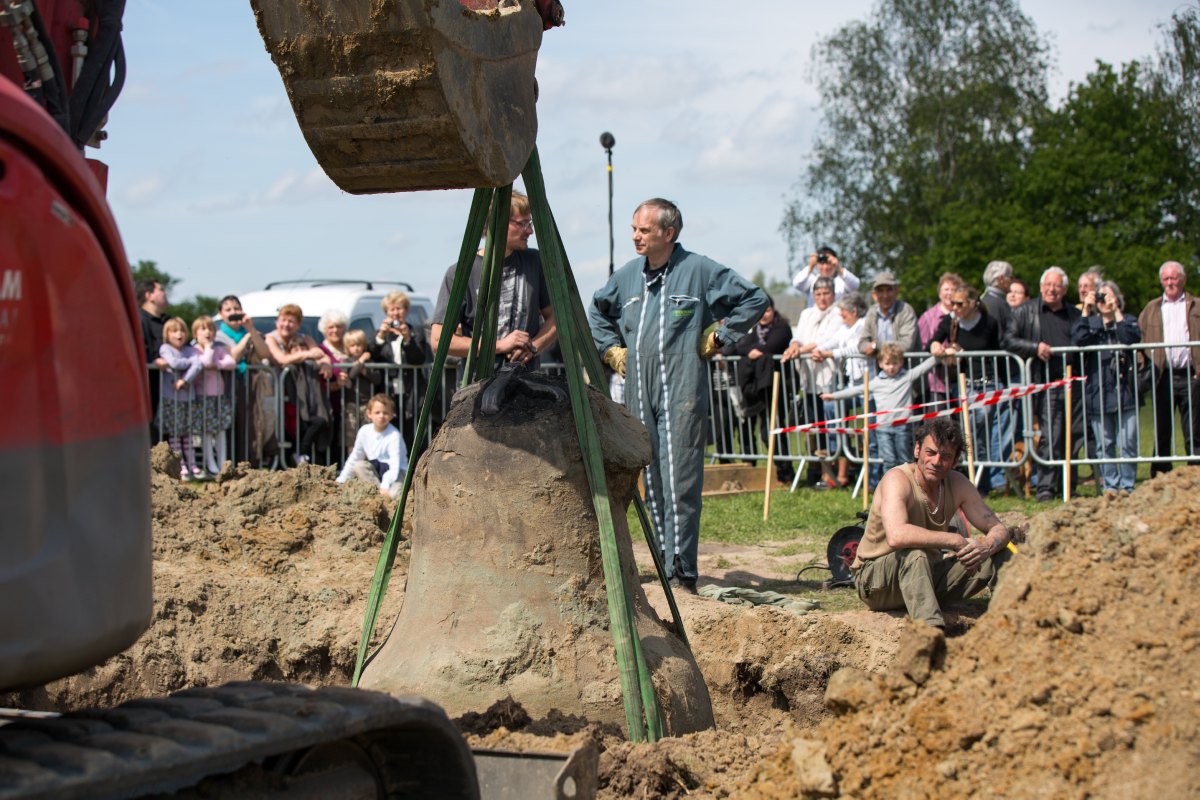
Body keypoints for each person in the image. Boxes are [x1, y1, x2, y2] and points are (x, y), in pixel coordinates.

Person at [589, 197, 769, 593]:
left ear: (668, 233)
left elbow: (754, 299)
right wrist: (610, 349)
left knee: (680, 482)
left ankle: (682, 571)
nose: (636, 236)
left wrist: (721, 335)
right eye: (634, 229)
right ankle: (661, 560)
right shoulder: (626, 278)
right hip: (639, 387)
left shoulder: (699, 270)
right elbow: (597, 311)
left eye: (644, 230)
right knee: (650, 478)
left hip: (683, 387)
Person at [851, 416, 1013, 630]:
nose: (937, 462)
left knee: (1000, 552)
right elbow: (897, 536)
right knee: (914, 554)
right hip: (876, 581)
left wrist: (986, 546)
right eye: (931, 453)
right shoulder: (897, 479)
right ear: (917, 450)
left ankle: (1018, 620)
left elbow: (998, 529)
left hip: (925, 573)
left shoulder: (958, 483)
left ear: (955, 461)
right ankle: (931, 635)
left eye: (945, 456)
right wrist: (954, 540)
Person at [431, 191, 557, 372]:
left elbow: (556, 318)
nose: (529, 230)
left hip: (526, 386)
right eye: (522, 224)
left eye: (529, 223)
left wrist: (534, 347)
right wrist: (498, 346)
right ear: (498, 223)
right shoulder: (460, 273)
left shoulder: (534, 262)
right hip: (477, 388)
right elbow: (438, 341)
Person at [1006, 266, 1083, 502]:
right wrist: (1034, 348)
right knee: (1040, 435)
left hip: (1068, 383)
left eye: (1057, 285)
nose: (1052, 289)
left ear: (1065, 289)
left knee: (1064, 435)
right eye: (1048, 285)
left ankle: (1058, 486)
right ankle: (1040, 486)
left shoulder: (1074, 314)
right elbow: (1008, 339)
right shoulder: (1024, 311)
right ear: (1041, 288)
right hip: (1039, 382)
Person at [928, 285, 1009, 496]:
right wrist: (937, 347)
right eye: (952, 303)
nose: (955, 307)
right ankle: (979, 481)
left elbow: (997, 350)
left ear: (973, 303)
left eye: (960, 303)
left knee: (990, 431)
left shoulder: (989, 323)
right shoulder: (951, 322)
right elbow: (934, 339)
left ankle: (992, 478)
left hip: (989, 382)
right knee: (971, 432)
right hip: (966, 384)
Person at [822, 343, 937, 476]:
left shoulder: (907, 377)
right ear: (881, 364)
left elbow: (924, 367)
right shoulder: (876, 382)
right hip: (883, 428)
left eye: (895, 363)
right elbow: (855, 390)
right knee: (889, 460)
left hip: (903, 427)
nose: (891, 367)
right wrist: (833, 396)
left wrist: (940, 356)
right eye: (888, 363)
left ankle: (910, 487)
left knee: (905, 460)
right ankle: (890, 487)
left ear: (901, 363)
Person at [1073, 280, 1141, 497]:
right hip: (1098, 393)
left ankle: (1127, 486)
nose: (1103, 301)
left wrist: (1116, 311)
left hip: (1125, 392)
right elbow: (1078, 339)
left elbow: (1130, 338)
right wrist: (1086, 308)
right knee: (1105, 445)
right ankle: (1110, 486)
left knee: (1128, 442)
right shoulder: (1091, 324)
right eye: (1100, 297)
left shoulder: (1127, 320)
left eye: (1107, 296)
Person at [721, 297, 795, 484]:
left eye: (767, 310)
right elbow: (738, 347)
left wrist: (752, 350)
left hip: (776, 386)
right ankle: (749, 470)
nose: (764, 315)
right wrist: (753, 350)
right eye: (760, 311)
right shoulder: (752, 328)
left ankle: (784, 472)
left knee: (772, 431)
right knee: (749, 429)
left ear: (774, 310)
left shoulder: (782, 327)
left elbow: (773, 346)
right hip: (753, 388)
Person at [1137, 260, 1200, 477]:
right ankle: (1161, 472)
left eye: (1174, 278)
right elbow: (1140, 337)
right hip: (1162, 376)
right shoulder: (1151, 308)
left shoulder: (1196, 305)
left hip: (1191, 374)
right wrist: (1142, 367)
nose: (1170, 282)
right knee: (1162, 427)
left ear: (1182, 279)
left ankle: (1196, 471)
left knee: (1194, 427)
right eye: (1166, 279)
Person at [783, 276, 843, 486]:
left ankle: (832, 473)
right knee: (812, 426)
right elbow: (798, 336)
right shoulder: (807, 313)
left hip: (829, 378)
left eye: (826, 293)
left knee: (831, 426)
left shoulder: (837, 313)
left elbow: (828, 339)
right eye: (818, 294)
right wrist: (793, 346)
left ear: (833, 294)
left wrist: (800, 349)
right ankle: (815, 469)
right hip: (809, 379)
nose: (822, 298)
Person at [806, 292, 868, 489]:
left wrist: (828, 354)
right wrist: (819, 350)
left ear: (854, 312)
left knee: (870, 425)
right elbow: (833, 341)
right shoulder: (845, 328)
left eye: (843, 314)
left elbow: (855, 348)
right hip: (851, 384)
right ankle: (837, 451)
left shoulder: (863, 325)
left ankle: (864, 467)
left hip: (867, 383)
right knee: (831, 406)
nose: (841, 318)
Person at [265, 303, 333, 466]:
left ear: (298, 324)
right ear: (277, 321)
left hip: (303, 394)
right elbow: (281, 360)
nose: (286, 324)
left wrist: (326, 364)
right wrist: (308, 354)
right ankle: (279, 462)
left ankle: (303, 456)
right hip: (276, 392)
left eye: (291, 321)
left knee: (310, 422)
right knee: (281, 430)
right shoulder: (271, 338)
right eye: (283, 320)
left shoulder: (306, 339)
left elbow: (321, 355)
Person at [214, 295, 271, 467]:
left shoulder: (250, 332)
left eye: (236, 308)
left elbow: (264, 353)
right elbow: (233, 356)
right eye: (228, 309)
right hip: (225, 386)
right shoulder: (218, 336)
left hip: (248, 386)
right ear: (221, 314)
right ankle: (228, 464)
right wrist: (247, 339)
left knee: (251, 424)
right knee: (229, 424)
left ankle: (249, 463)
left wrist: (251, 331)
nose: (233, 312)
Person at [373, 290, 431, 449]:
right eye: (392, 309)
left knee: (410, 426)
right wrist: (380, 337)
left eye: (399, 308)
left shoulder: (415, 333)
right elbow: (374, 356)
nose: (395, 313)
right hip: (389, 387)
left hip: (411, 388)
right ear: (386, 312)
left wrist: (407, 339)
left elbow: (418, 359)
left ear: (406, 310)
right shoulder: (382, 334)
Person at [337, 394, 408, 500]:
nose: (381, 416)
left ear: (392, 415)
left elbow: (395, 466)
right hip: (376, 470)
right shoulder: (364, 431)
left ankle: (387, 497)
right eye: (377, 412)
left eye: (385, 413)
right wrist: (341, 480)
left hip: (396, 473)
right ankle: (376, 494)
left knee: (393, 495)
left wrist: (385, 485)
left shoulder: (394, 436)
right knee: (359, 465)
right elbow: (354, 457)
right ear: (369, 414)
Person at [190, 316, 237, 475]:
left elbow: (231, 363)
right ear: (196, 334)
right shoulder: (195, 350)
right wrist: (209, 348)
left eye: (210, 329)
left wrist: (218, 364)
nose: (208, 332)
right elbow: (205, 362)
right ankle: (210, 463)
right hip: (202, 397)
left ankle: (223, 462)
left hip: (219, 396)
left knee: (221, 430)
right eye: (203, 329)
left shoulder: (219, 349)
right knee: (207, 432)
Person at [158, 317, 203, 480]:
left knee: (188, 435)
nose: (179, 334)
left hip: (188, 399)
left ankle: (193, 465)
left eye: (182, 330)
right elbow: (175, 363)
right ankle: (180, 465)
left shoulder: (190, 350)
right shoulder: (165, 348)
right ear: (167, 334)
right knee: (175, 436)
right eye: (175, 331)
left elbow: (198, 365)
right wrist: (189, 363)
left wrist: (185, 380)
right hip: (171, 399)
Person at [917, 272, 964, 408]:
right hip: (936, 381)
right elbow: (922, 346)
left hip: (959, 379)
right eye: (946, 289)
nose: (949, 293)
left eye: (953, 289)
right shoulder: (928, 317)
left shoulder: (965, 317)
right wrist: (938, 351)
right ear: (939, 293)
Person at [137, 278, 170, 440]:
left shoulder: (168, 321)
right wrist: (153, 361)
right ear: (149, 295)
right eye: (161, 290)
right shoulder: (138, 319)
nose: (165, 293)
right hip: (149, 385)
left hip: (169, 385)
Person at [342, 329, 386, 446]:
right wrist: (361, 362)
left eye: (359, 345)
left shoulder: (370, 361)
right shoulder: (347, 361)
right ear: (347, 347)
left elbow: (377, 379)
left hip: (367, 403)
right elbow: (351, 375)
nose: (356, 348)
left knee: (368, 435)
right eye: (352, 345)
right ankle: (352, 461)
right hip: (351, 403)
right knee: (351, 436)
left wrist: (366, 372)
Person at [791, 245, 860, 304]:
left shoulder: (842, 281)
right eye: (822, 264)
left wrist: (839, 268)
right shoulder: (812, 280)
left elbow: (856, 284)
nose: (825, 267)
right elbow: (796, 284)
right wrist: (810, 266)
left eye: (829, 263)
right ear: (817, 264)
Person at [980, 260, 1014, 336]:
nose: (1012, 282)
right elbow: (998, 336)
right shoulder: (994, 304)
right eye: (1011, 277)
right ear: (1001, 279)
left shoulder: (989, 300)